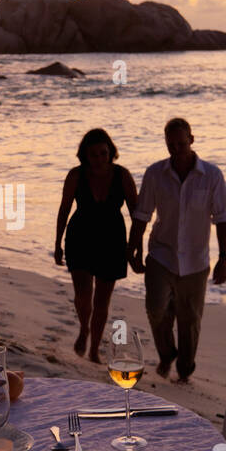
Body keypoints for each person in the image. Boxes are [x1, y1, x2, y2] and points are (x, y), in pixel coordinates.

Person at [127, 117, 226, 382]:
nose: (176, 149)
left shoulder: (212, 176)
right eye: (170, 144)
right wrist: (133, 249)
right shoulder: (155, 173)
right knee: (155, 308)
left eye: (181, 144)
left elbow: (222, 218)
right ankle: (166, 353)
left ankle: (185, 370)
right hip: (162, 254)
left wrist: (224, 258)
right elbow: (142, 214)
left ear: (192, 140)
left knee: (190, 320)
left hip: (196, 260)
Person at [54, 128, 138, 363]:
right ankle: (84, 329)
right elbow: (64, 210)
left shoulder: (122, 175)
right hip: (80, 237)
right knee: (83, 295)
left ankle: (94, 349)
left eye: (103, 153)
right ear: (85, 155)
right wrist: (57, 243)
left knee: (102, 300)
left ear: (111, 152)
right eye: (94, 155)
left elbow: (136, 213)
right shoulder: (75, 175)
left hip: (112, 239)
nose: (99, 159)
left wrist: (135, 246)